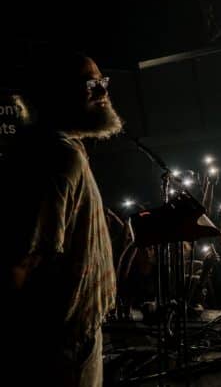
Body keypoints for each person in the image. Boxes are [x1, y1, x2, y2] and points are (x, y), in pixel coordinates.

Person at [4, 52, 123, 387]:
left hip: (73, 337)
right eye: (91, 84)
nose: (103, 92)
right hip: (61, 344)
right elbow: (21, 261)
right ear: (55, 95)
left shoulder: (65, 148)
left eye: (103, 82)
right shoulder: (58, 156)